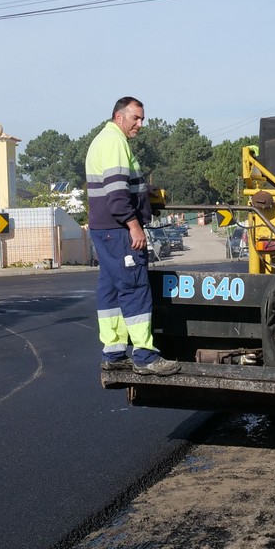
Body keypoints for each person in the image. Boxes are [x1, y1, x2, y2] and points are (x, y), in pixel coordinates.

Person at [86, 96, 180, 376]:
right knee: (135, 288)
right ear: (119, 117)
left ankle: (113, 353)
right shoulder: (115, 142)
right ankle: (145, 356)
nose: (140, 124)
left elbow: (118, 187)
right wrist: (134, 227)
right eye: (135, 118)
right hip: (118, 231)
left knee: (111, 289)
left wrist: (143, 191)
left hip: (104, 231)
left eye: (142, 119)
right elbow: (116, 197)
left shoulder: (103, 139)